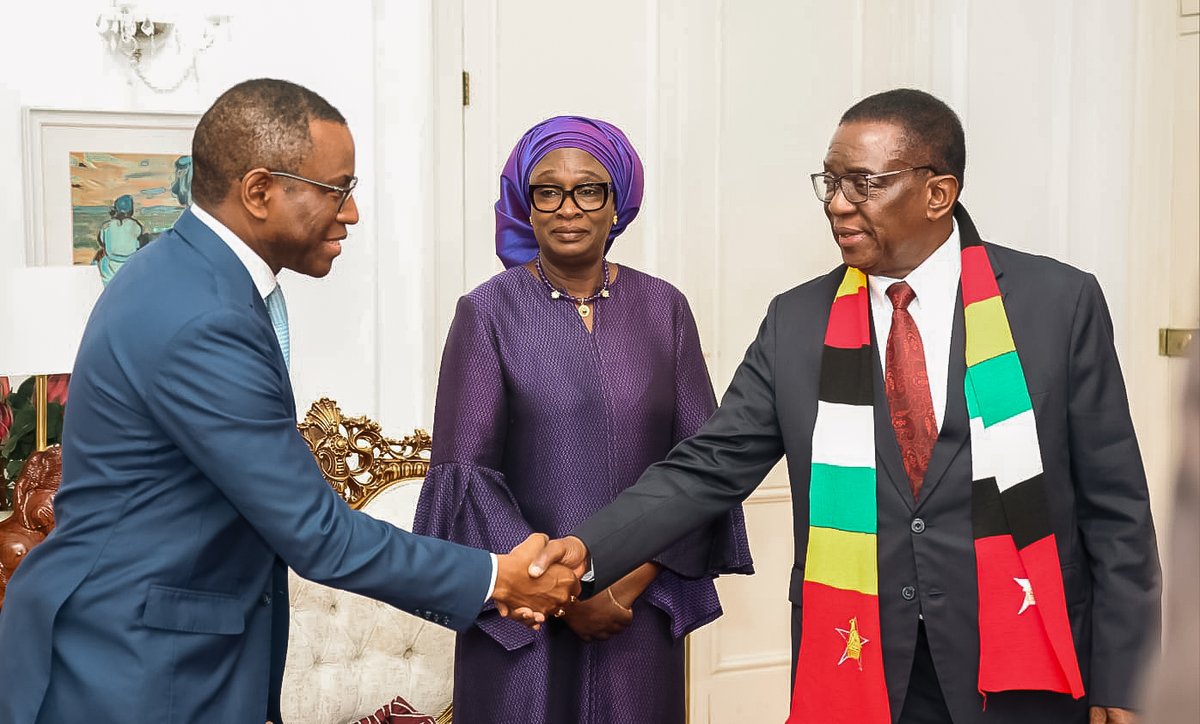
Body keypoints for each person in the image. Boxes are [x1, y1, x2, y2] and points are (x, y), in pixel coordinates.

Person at [532, 89, 1160, 724]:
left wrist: (1126, 675)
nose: (837, 203)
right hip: (861, 661)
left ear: (937, 193)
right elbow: (709, 465)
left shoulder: (1059, 303)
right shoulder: (796, 320)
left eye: (864, 183)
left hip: (1024, 656)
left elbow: (1116, 506)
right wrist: (586, 550)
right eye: (830, 182)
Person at [0, 78, 577, 723]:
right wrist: (497, 578)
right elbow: (318, 535)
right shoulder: (201, 316)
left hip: (156, 646)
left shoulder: (189, 275)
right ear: (259, 191)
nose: (352, 214)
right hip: (133, 668)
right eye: (339, 190)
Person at [413, 115, 753, 724]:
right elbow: (467, 478)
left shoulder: (664, 308)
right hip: (523, 614)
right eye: (548, 190)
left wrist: (619, 587)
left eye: (588, 189)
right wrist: (562, 595)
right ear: (527, 204)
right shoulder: (487, 312)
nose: (568, 207)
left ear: (616, 204)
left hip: (636, 609)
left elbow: (703, 463)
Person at [94, 193, 145, 285]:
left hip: (109, 270)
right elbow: (139, 243)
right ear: (131, 211)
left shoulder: (107, 226)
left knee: (99, 256)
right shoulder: (136, 225)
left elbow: (101, 241)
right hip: (130, 267)